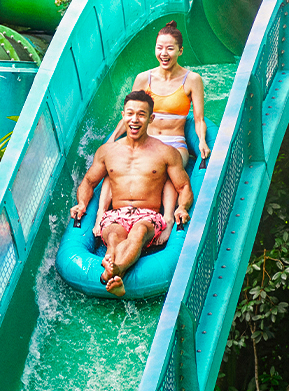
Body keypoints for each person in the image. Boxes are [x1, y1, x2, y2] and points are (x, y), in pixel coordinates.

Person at [70, 91, 192, 296]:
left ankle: (113, 270)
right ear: (123, 115)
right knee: (114, 235)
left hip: (148, 215)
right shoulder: (107, 151)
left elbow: (184, 187)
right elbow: (89, 182)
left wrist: (182, 207)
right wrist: (82, 204)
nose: (135, 119)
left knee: (139, 232)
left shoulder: (166, 152)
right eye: (130, 113)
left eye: (141, 114)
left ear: (151, 118)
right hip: (116, 214)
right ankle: (115, 274)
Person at [97, 21, 208, 226]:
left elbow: (199, 118)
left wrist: (201, 140)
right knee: (116, 165)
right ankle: (102, 214)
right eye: (159, 48)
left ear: (180, 51)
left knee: (165, 168)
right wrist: (112, 139)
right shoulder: (144, 78)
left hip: (174, 143)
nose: (163, 53)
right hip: (146, 140)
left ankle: (167, 218)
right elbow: (130, 114)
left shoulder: (192, 79)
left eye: (170, 48)